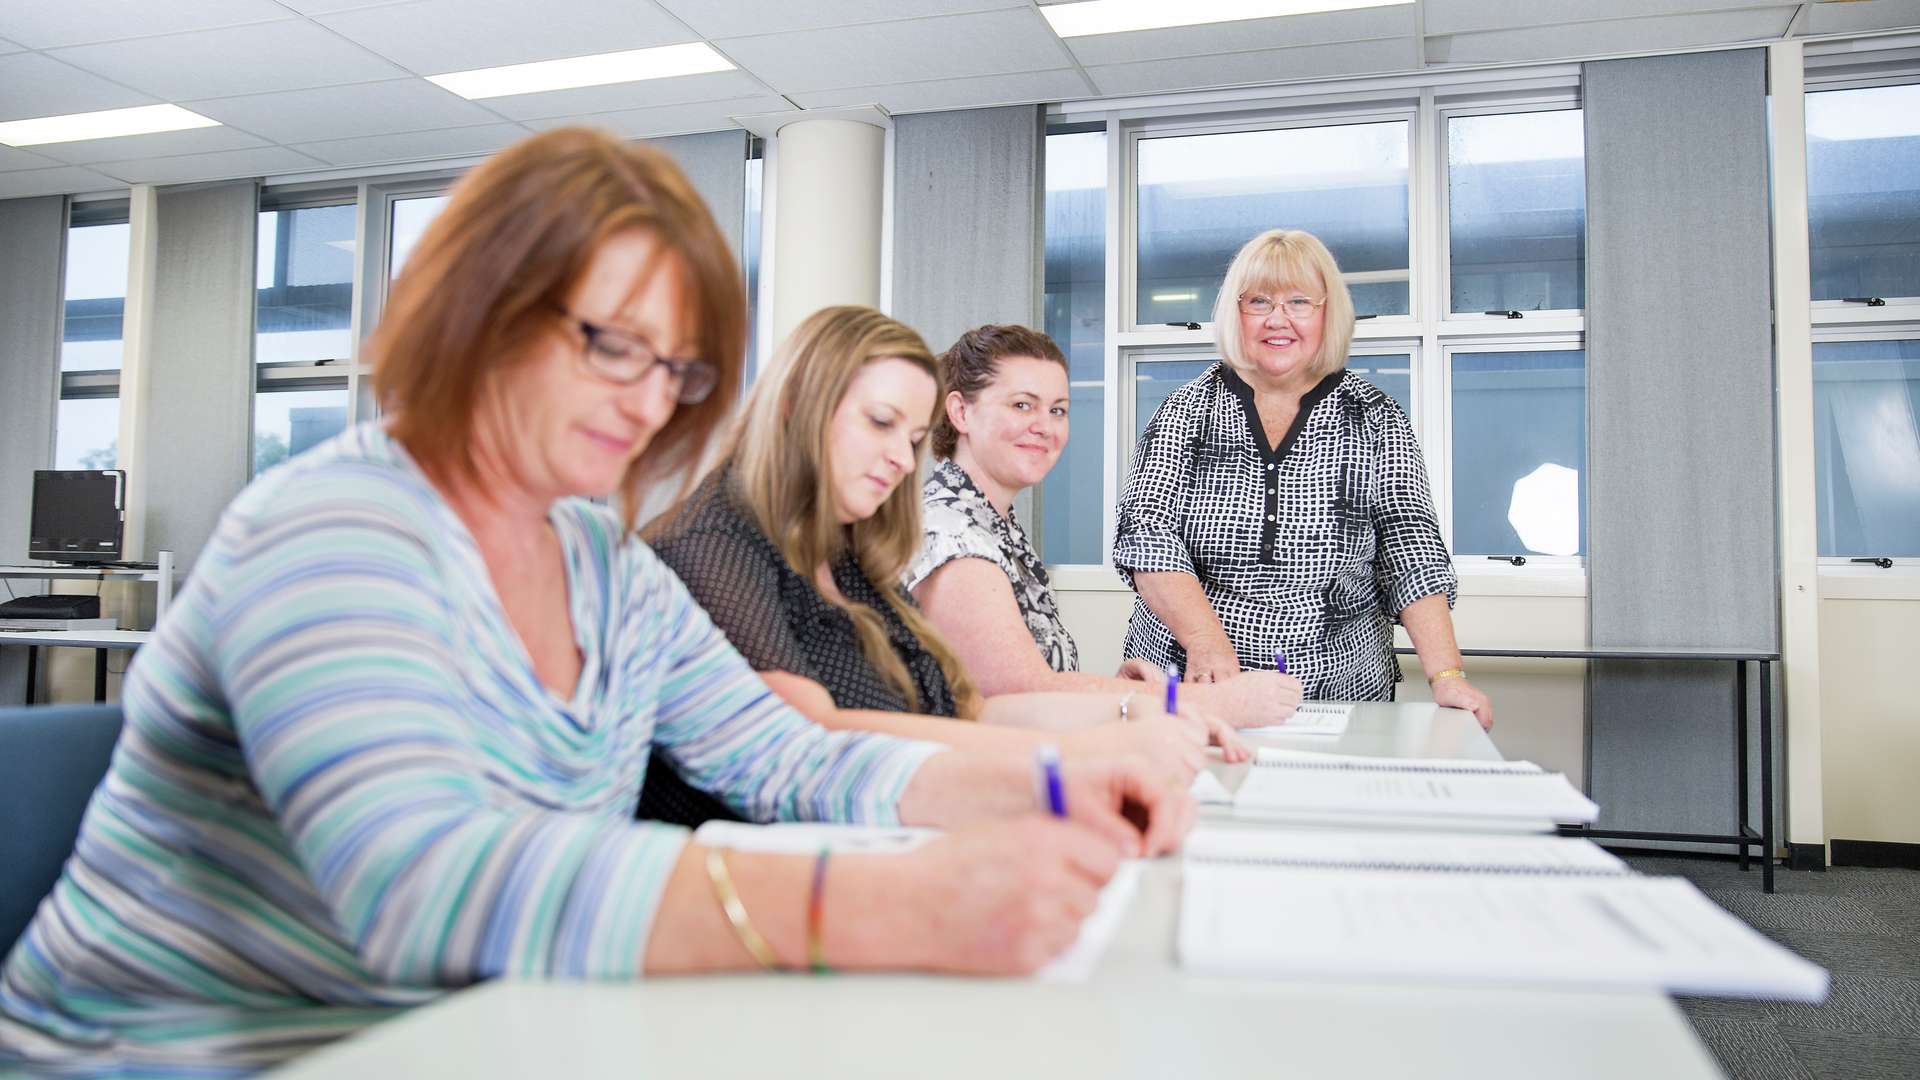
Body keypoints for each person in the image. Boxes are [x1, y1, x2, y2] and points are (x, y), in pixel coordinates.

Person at [0, 129, 1191, 1077]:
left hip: (467, 1037)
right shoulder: (332, 527)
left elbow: (781, 754)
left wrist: (1054, 782)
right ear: (482, 305)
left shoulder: (601, 561)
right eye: (610, 344)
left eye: (674, 366)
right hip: (185, 1056)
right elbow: (427, 880)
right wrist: (887, 905)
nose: (646, 398)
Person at [639, 306, 1237, 827]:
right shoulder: (716, 540)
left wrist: (1144, 713)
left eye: (914, 436)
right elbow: (813, 735)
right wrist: (1076, 761)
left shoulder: (848, 546)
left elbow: (969, 707)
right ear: (798, 407)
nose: (903, 459)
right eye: (880, 423)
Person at [1111, 229, 1493, 729]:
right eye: (1260, 302)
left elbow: (1411, 548)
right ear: (1236, 313)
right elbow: (1147, 538)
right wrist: (1206, 644)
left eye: (1298, 302)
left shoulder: (1375, 416)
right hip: (1195, 683)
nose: (1278, 319)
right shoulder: (1186, 410)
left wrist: (1446, 675)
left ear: (1326, 313)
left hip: (1341, 691)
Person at [907, 324, 1303, 728]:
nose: (1045, 425)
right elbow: (1022, 693)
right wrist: (1212, 702)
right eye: (1022, 405)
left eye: (1057, 409)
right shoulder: (951, 531)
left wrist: (1113, 693)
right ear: (961, 412)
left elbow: (1023, 690)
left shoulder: (991, 520)